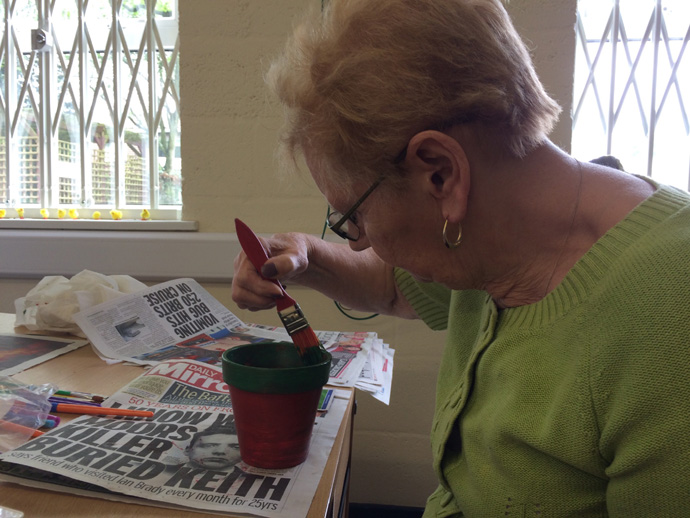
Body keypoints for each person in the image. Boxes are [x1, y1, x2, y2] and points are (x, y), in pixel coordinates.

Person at [231, 0, 690, 516]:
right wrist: (308, 256)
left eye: (354, 215)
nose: (359, 242)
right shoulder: (494, 236)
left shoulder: (669, 320)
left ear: (441, 172)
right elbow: (391, 285)